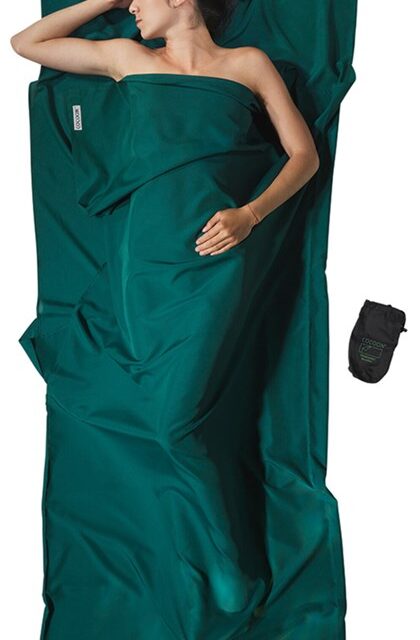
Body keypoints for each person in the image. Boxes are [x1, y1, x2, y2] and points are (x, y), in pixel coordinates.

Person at [10, 0, 319, 255]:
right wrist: (104, 2)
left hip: (221, 240)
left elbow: (305, 156)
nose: (132, 8)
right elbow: (25, 43)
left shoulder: (249, 63)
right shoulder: (129, 58)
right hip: (147, 244)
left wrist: (251, 215)